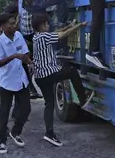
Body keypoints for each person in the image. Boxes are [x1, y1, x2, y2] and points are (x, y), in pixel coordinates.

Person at [31, 15, 94, 146]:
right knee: (72, 72)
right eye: (47, 24)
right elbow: (62, 35)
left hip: (39, 77)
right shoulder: (44, 36)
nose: (48, 26)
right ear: (42, 26)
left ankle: (49, 133)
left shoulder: (36, 36)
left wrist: (70, 25)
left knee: (49, 104)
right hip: (48, 73)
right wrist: (78, 26)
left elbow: (58, 32)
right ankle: (83, 100)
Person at [0, 13, 32, 154]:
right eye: (10, 23)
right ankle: (2, 142)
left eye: (14, 22)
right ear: (2, 26)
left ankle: (15, 132)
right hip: (7, 81)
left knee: (26, 109)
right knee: (4, 112)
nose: (13, 25)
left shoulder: (19, 36)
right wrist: (14, 56)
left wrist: (29, 61)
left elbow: (25, 54)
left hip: (21, 80)